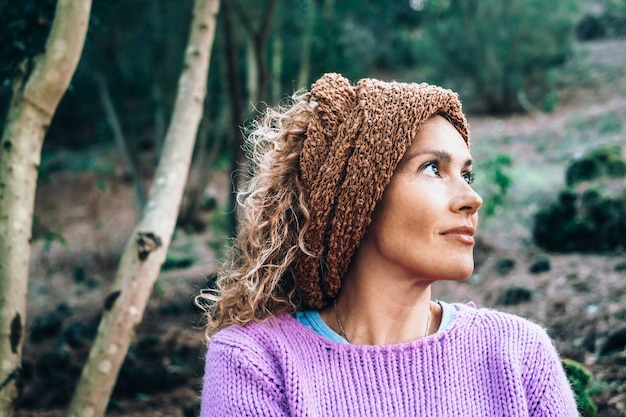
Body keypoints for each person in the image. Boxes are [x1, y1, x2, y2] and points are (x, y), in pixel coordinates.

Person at [197, 73, 579, 416]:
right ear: (357, 197)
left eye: (466, 173)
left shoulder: (519, 353)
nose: (472, 198)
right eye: (433, 168)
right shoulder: (255, 361)